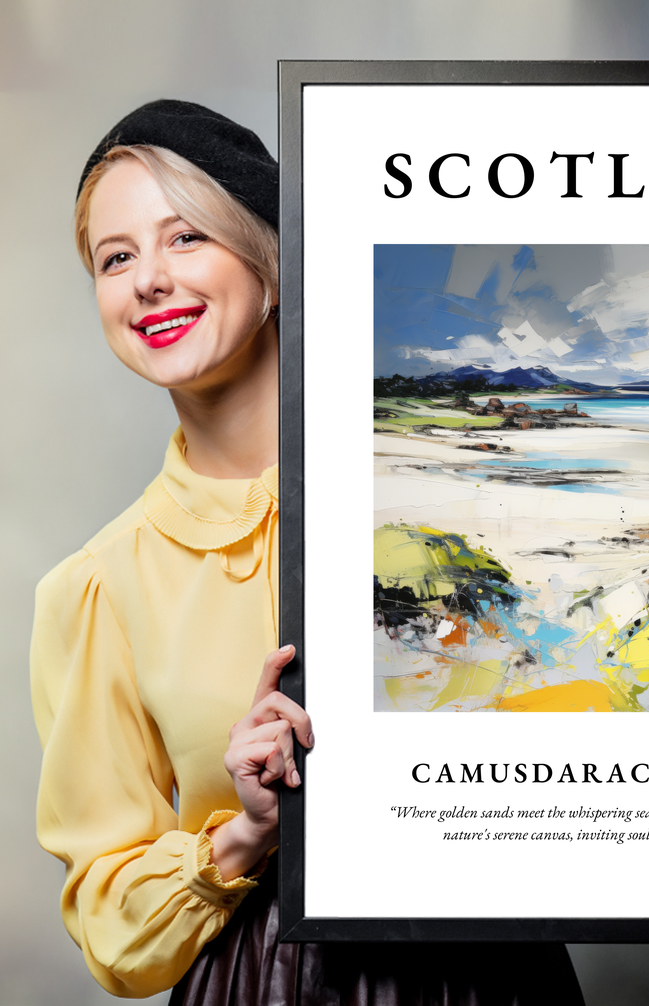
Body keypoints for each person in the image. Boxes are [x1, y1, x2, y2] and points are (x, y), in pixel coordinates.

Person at [30, 100, 585, 1004]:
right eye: (116, 257)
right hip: (263, 981)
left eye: (186, 239)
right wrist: (245, 832)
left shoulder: (457, 499)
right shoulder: (97, 587)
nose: (148, 281)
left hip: (493, 973)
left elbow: (606, 698)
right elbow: (110, 925)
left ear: (273, 264)